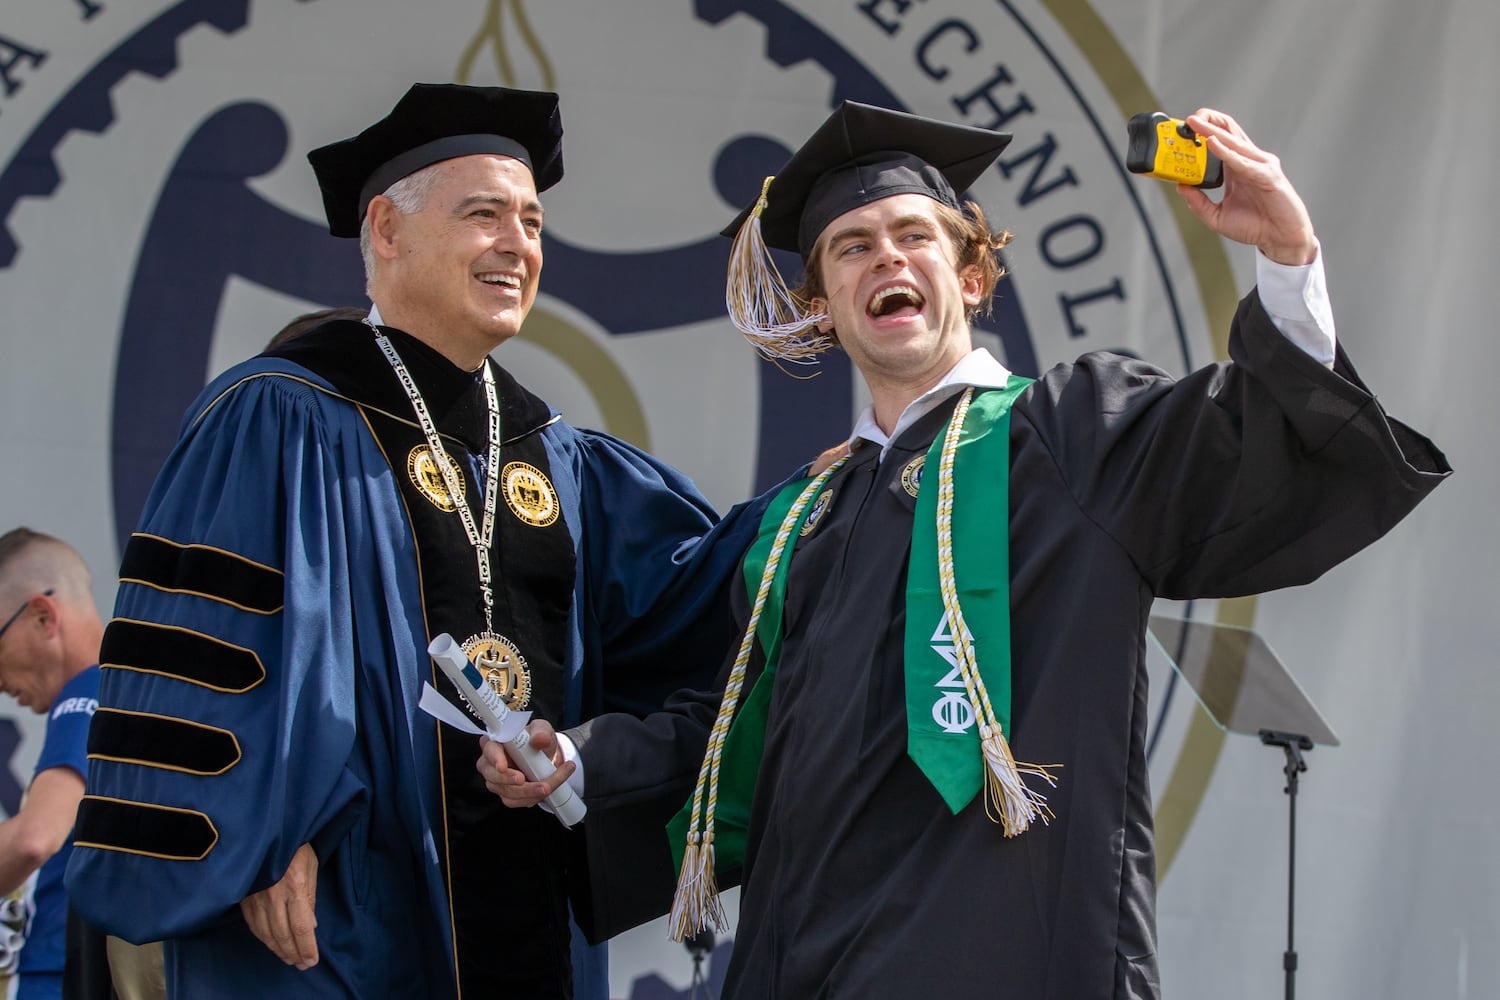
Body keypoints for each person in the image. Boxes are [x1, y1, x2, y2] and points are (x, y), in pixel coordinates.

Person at [479, 102, 1451, 998]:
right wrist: (575, 756)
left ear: (973, 277)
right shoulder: (800, 521)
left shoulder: (1075, 435)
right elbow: (744, 734)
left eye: (914, 237)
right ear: (823, 303)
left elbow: (1256, 437)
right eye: (850, 247)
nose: (882, 258)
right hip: (806, 958)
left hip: (1008, 949)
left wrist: (1286, 255)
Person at [64, 83, 771, 998]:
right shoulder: (278, 416)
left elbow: (693, 601)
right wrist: (255, 840)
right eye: (484, 214)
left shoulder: (557, 455)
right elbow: (203, 665)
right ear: (387, 233)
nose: (518, 244)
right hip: (340, 906)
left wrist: (832, 492)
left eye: (532, 221)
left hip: (528, 907)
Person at [0, 530, 102, 1000]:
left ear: (43, 615)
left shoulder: (90, 692)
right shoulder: (116, 694)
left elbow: (35, 838)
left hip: (52, 982)